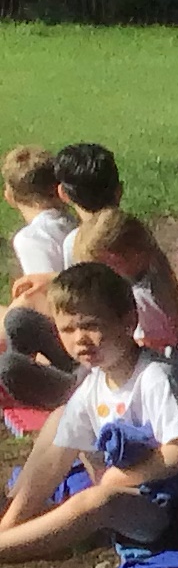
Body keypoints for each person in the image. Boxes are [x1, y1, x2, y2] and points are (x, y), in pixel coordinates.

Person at [0, 262, 178, 562]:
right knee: (63, 418)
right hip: (141, 494)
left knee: (97, 500)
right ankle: (10, 524)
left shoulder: (158, 377)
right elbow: (57, 454)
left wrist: (120, 478)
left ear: (128, 321)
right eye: (67, 329)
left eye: (91, 325)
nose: (79, 338)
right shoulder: (94, 383)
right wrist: (12, 520)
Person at [4, 143, 78, 401]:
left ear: (9, 196)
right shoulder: (72, 223)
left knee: (14, 315)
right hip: (84, 321)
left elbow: (45, 300)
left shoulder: (31, 238)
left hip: (66, 335)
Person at [71, 210, 178, 351]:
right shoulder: (152, 271)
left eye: (100, 270)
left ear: (120, 258)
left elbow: (152, 344)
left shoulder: (138, 299)